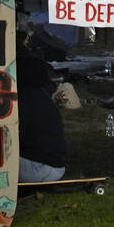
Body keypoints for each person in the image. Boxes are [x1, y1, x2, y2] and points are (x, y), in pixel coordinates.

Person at [16, 28, 67, 183]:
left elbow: (14, 137)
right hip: (48, 163)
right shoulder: (37, 94)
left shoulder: (23, 98)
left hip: (41, 167)